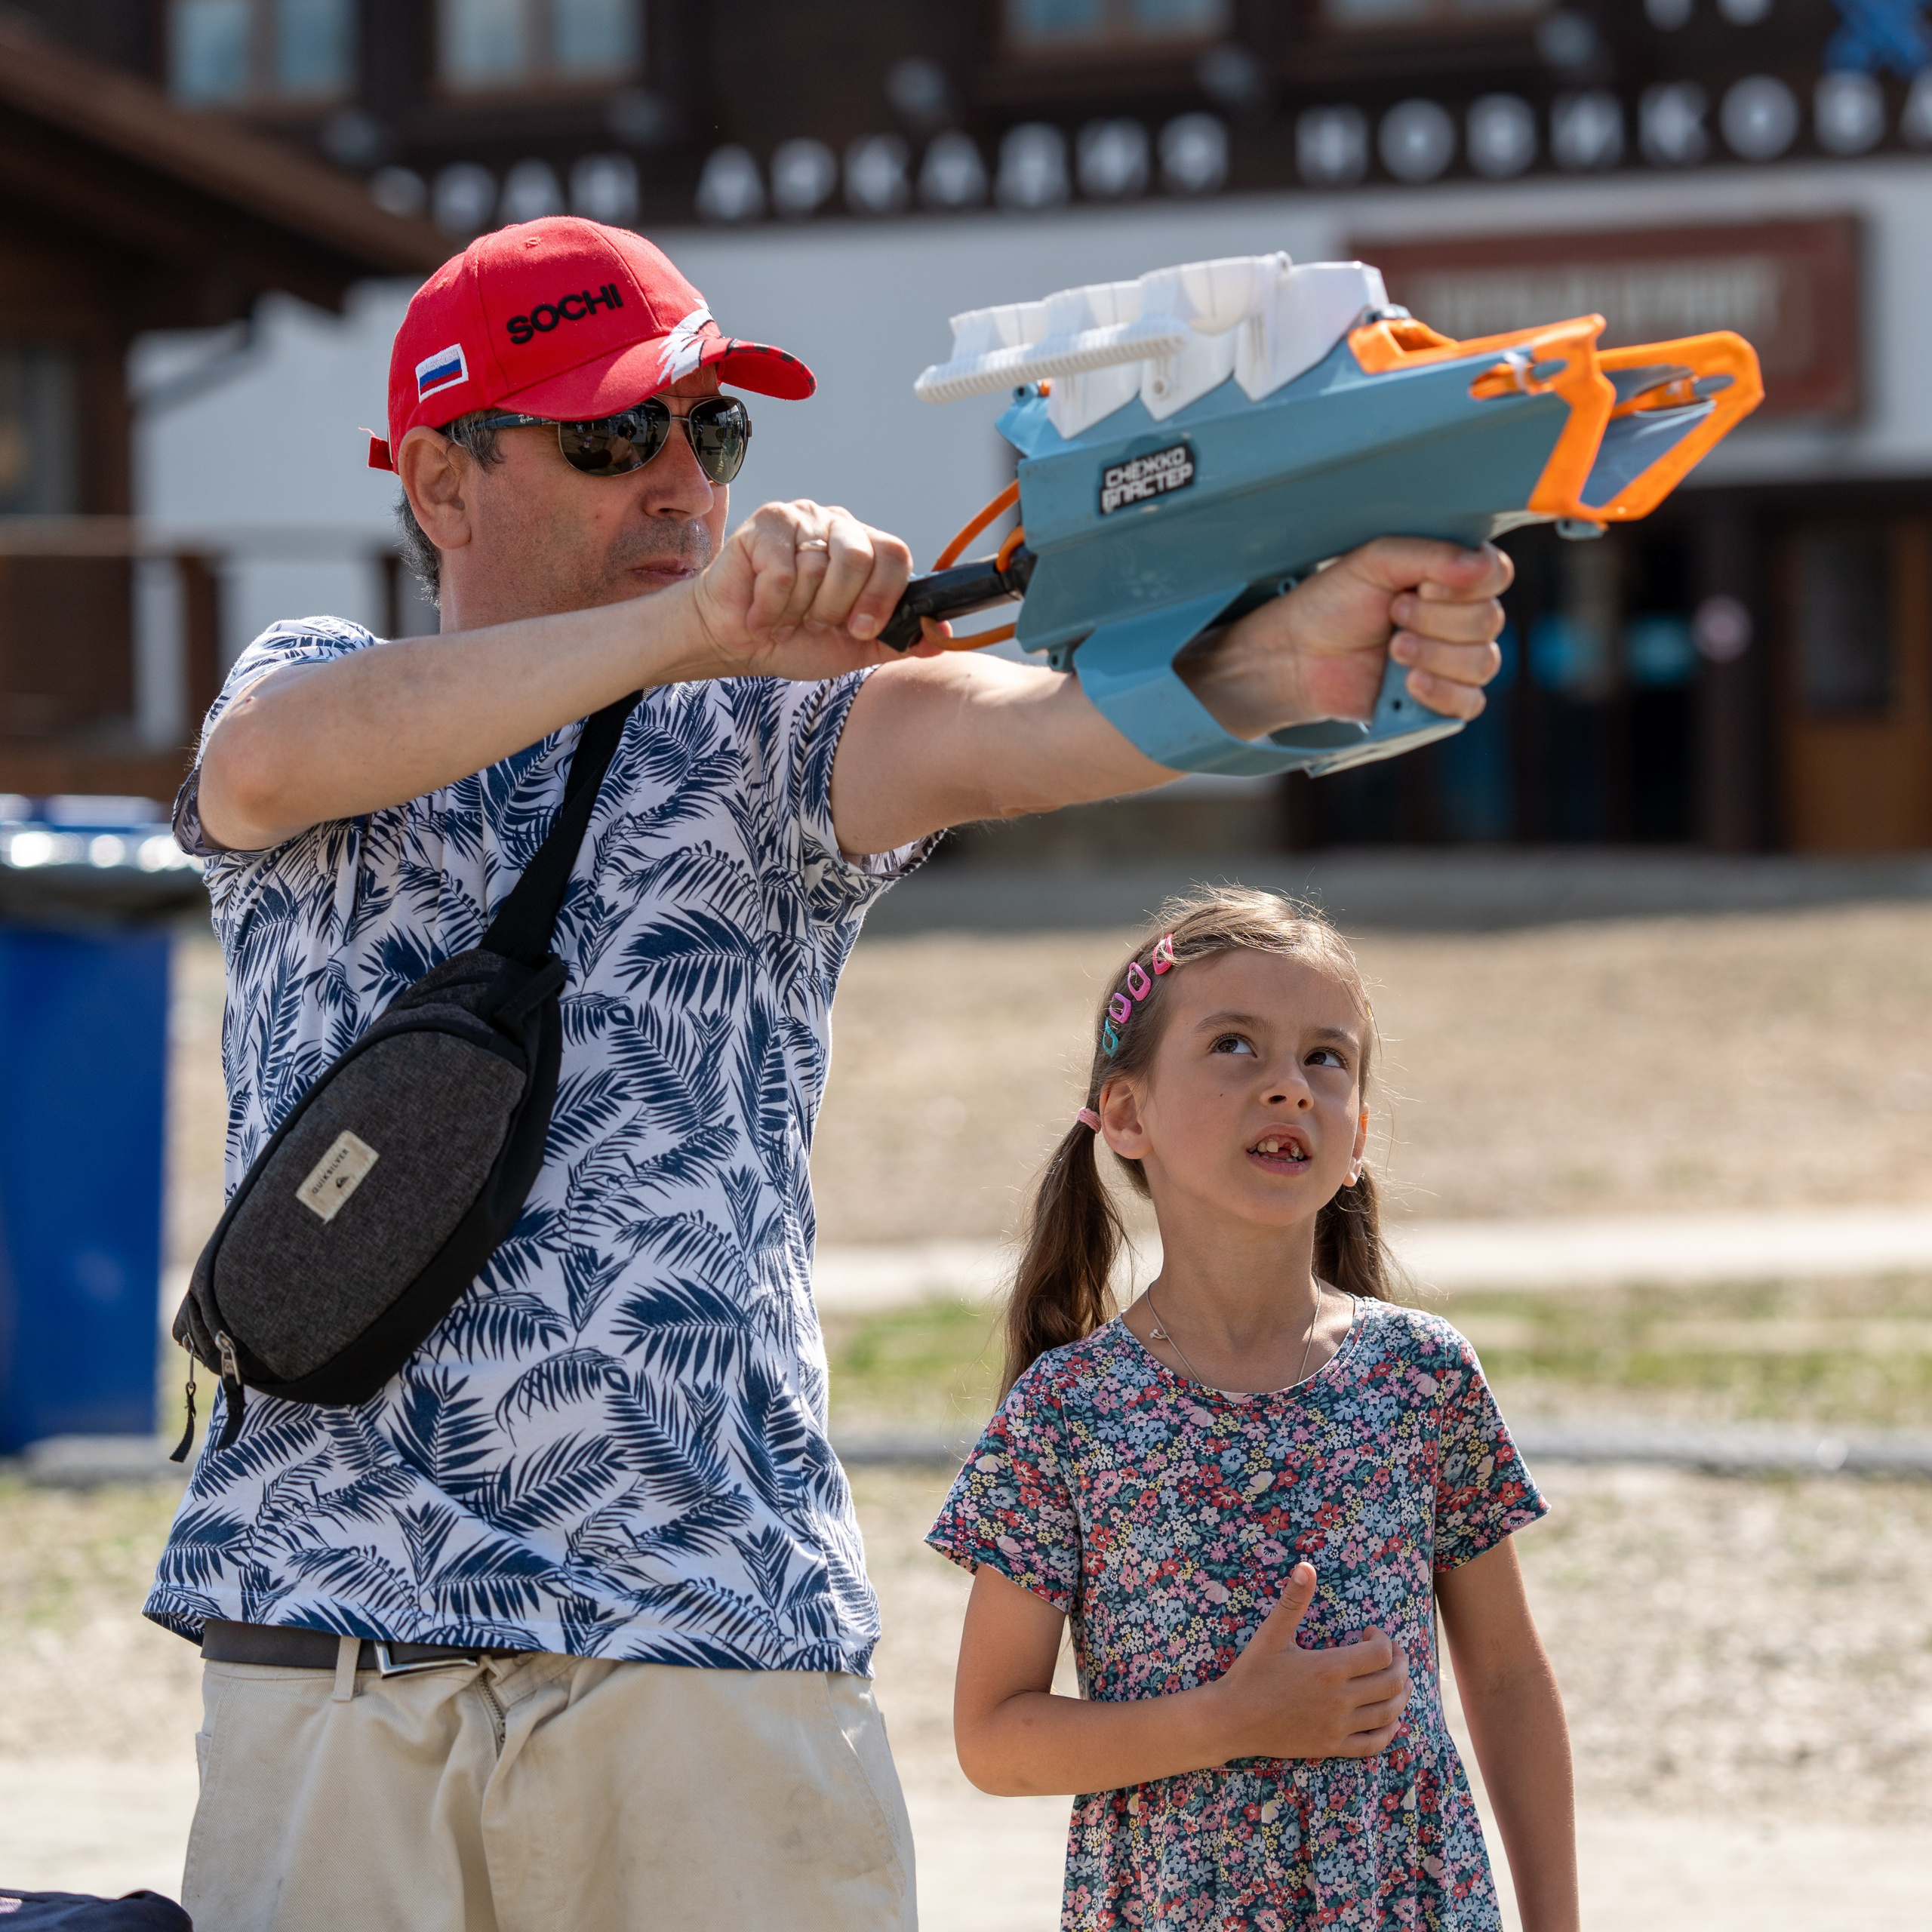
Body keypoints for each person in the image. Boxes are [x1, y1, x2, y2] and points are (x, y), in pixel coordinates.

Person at [146, 216, 1509, 1932]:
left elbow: (1023, 735)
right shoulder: (316, 689)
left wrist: (1296, 669)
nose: (675, 480)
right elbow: (271, 762)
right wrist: (693, 629)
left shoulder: (772, 737)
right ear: (439, 484)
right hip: (326, 1637)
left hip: (709, 1643)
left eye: (704, 431)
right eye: (609, 435)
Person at [929, 888, 1577, 1932]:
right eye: (1236, 1045)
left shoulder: (1423, 1377)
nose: (1289, 1086)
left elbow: (1505, 1679)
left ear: (1359, 1132)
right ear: (1127, 1113)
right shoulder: (1069, 1414)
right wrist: (1228, 1721)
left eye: (1326, 1058)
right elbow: (993, 1738)